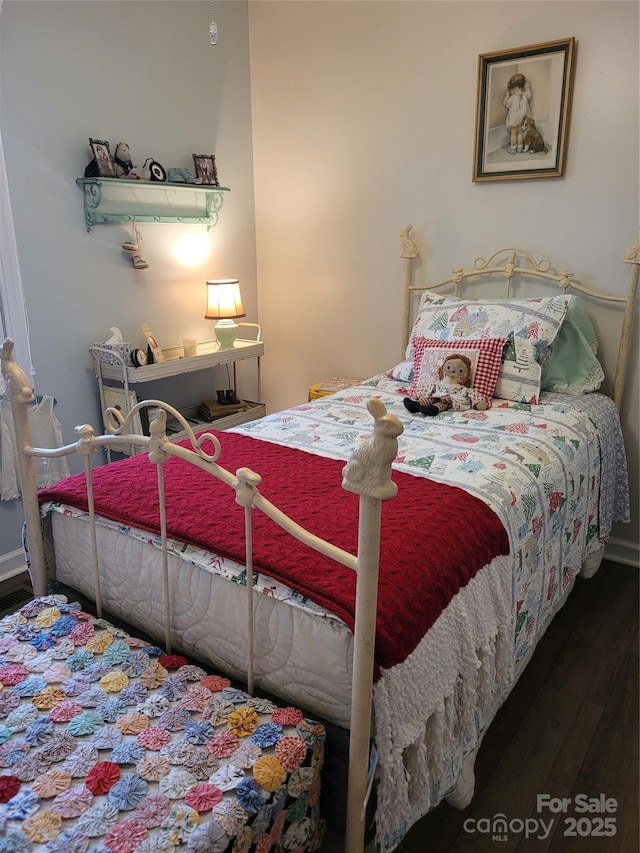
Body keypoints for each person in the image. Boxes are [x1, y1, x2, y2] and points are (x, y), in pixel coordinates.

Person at [503, 73, 532, 154]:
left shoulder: (512, 98)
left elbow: (506, 105)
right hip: (523, 118)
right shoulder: (525, 94)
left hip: (514, 118)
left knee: (513, 133)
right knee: (520, 132)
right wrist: (528, 87)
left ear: (513, 88)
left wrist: (506, 96)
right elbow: (530, 95)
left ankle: (513, 148)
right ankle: (520, 147)